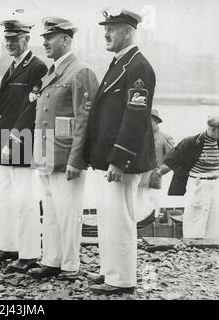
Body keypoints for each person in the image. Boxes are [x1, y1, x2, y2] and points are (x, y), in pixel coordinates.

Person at [83, 8, 156, 295]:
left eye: (112, 28)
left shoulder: (138, 67)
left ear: (128, 32)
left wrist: (120, 158)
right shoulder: (121, 63)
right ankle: (109, 270)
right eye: (106, 27)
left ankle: (123, 279)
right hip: (109, 159)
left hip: (123, 161)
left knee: (121, 219)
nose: (106, 33)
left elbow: (136, 117)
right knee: (108, 218)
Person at [26, 17, 99, 280]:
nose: (44, 42)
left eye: (50, 37)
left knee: (69, 214)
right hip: (47, 155)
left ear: (66, 40)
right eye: (44, 37)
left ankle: (70, 264)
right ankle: (52, 260)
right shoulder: (53, 72)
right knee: (52, 212)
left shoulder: (80, 72)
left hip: (66, 156)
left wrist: (76, 159)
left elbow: (85, 120)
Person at [0, 19, 48, 273]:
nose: (10, 43)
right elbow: (5, 108)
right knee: (6, 196)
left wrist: (14, 139)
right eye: (7, 38)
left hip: (21, 136)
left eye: (15, 38)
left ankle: (29, 253)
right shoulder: (12, 68)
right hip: (5, 136)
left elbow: (31, 108)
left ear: (26, 39)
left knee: (25, 197)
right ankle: (8, 246)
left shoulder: (37, 67)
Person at [163, 115, 219, 239]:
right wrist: (184, 173)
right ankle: (192, 242)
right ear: (213, 129)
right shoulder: (191, 142)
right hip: (198, 182)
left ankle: (213, 243)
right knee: (196, 214)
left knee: (216, 214)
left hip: (216, 183)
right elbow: (169, 158)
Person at [136, 109, 174, 221]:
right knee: (137, 203)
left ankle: (152, 223)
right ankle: (138, 224)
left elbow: (173, 161)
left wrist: (159, 172)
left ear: (157, 122)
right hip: (138, 178)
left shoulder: (165, 137)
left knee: (153, 203)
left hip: (153, 178)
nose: (147, 123)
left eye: (151, 121)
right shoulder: (138, 137)